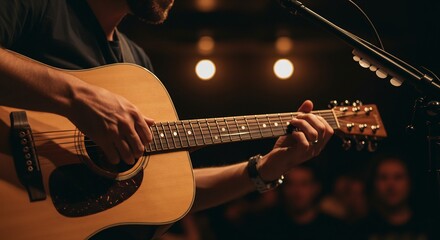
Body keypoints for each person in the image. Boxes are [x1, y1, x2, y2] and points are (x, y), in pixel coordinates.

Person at [0, 0, 334, 238]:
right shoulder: (40, 6)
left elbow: (163, 195)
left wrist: (264, 169)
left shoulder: (137, 64)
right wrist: (77, 98)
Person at [356, 155, 434, 240]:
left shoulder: (430, 226)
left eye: (398, 177)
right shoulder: (361, 229)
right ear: (373, 184)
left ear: (410, 182)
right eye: (383, 178)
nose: (390, 185)